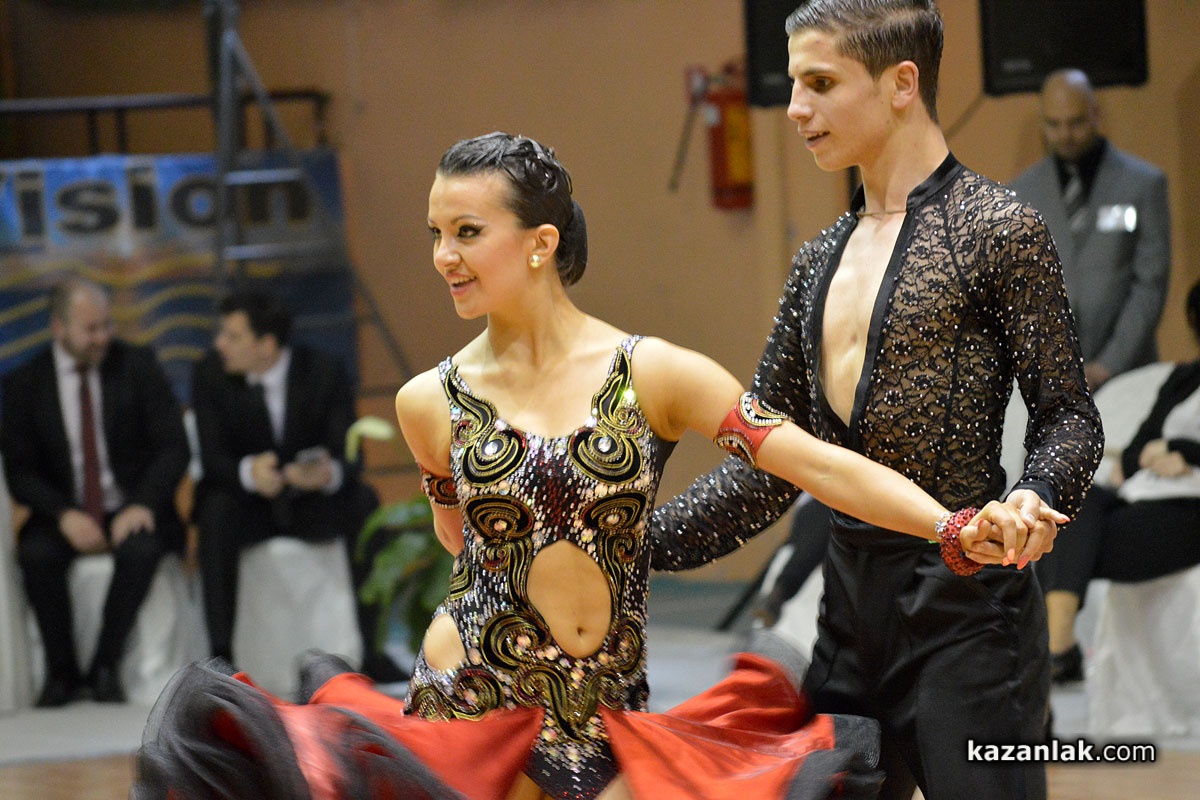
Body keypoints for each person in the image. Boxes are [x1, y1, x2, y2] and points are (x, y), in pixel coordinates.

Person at [132, 131, 1048, 800]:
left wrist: (951, 523)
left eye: (467, 232)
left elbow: (818, 465)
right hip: (471, 704)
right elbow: (461, 546)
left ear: (541, 242)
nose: (444, 257)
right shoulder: (426, 402)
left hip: (604, 706)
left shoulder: (653, 374)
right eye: (435, 233)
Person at [649, 3, 1103, 799]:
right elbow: (767, 461)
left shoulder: (998, 229)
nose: (795, 108)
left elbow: (1068, 414)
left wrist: (1035, 493)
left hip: (968, 619)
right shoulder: (817, 258)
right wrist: (631, 536)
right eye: (794, 84)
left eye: (820, 83)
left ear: (901, 84)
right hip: (848, 615)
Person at [0, 277, 190, 706]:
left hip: (131, 505)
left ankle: (105, 665)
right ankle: (61, 672)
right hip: (62, 510)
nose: (102, 337)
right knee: (36, 554)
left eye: (107, 325)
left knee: (142, 549)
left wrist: (142, 503)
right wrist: (64, 514)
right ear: (59, 328)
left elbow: (173, 447)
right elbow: (20, 472)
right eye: (90, 329)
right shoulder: (25, 383)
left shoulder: (138, 366)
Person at [190, 290, 372, 669]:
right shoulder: (209, 374)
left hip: (309, 502)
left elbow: (351, 455)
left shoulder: (323, 371)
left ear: (266, 345)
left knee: (364, 502)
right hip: (248, 505)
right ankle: (220, 656)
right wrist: (249, 473)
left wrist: (326, 473)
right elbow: (212, 458)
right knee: (214, 510)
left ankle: (373, 647)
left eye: (232, 336)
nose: (220, 344)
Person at [1038, 278, 1200, 683]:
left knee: (1063, 542)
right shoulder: (1184, 379)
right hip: (1145, 495)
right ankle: (1059, 645)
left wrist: (1181, 449)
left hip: (1190, 506)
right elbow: (1133, 452)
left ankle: (1056, 653)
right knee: (1071, 507)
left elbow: (1161, 447)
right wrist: (1151, 453)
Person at [1010, 68, 1171, 393]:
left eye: (1076, 123)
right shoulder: (1022, 192)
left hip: (1130, 373)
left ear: (1096, 114)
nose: (1065, 134)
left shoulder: (1143, 185)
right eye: (1053, 124)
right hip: (1053, 381)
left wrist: (1109, 364)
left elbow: (1150, 284)